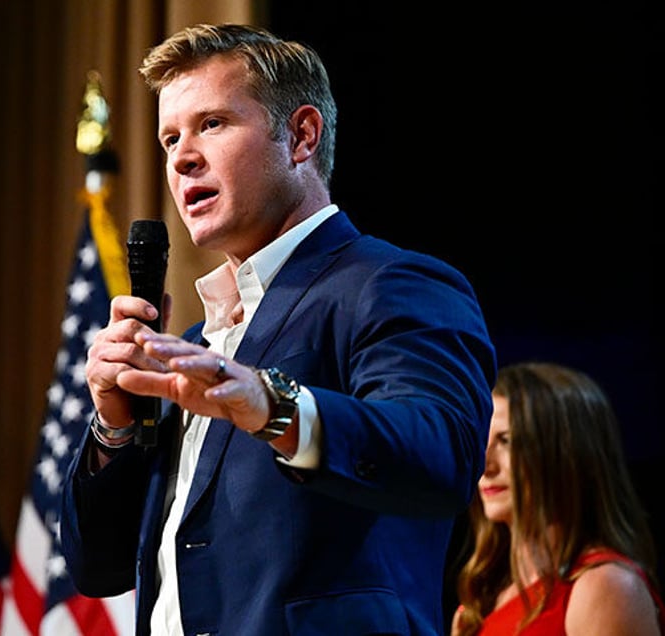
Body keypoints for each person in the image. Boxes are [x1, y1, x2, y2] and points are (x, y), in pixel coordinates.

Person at [60, 23, 496, 636]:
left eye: (211, 124)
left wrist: (274, 407)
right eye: (169, 138)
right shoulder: (191, 346)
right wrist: (113, 425)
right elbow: (97, 569)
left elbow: (440, 455)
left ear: (300, 136)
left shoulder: (391, 284)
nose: (182, 156)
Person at [450, 361, 665, 635]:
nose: (485, 466)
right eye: (483, 442)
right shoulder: (476, 606)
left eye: (507, 441)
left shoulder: (605, 587)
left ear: (566, 455)